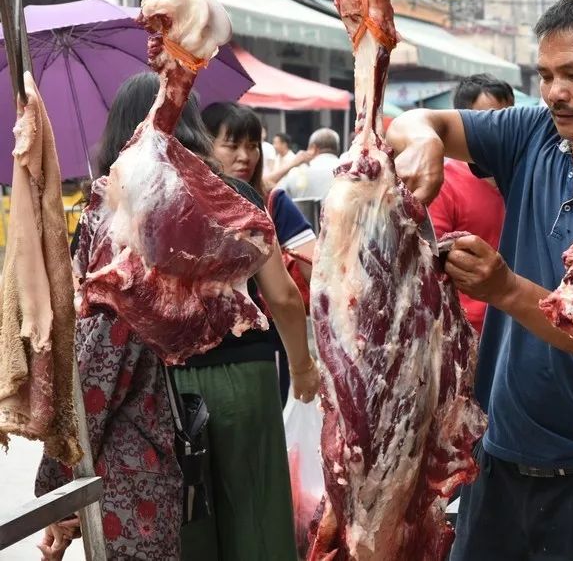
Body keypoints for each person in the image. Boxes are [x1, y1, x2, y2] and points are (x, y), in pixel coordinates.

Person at [386, 0, 573, 560]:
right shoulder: (533, 135)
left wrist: (505, 289)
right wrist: (423, 143)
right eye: (544, 76)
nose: (555, 93)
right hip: (500, 462)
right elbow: (417, 119)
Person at [34, 73, 318, 561]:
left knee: (189, 531)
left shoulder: (106, 210)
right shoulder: (237, 195)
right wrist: (303, 369)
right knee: (259, 522)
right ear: (192, 123)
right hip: (248, 382)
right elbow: (286, 299)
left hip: (166, 394)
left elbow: (94, 325)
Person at [202, 103, 316, 404]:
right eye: (232, 145)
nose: (245, 156)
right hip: (201, 360)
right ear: (205, 143)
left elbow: (314, 268)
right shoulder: (186, 206)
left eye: (252, 146)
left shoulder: (273, 202)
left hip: (264, 348)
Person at [428, 74, 514, 333]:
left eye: (508, 119)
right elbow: (432, 263)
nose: (500, 131)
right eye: (489, 121)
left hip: (522, 322)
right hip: (468, 330)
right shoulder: (443, 182)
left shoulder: (525, 177)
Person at [268, 128, 342, 200]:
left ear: (313, 148)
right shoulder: (348, 171)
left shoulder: (297, 172)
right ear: (337, 148)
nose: (274, 146)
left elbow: (272, 192)